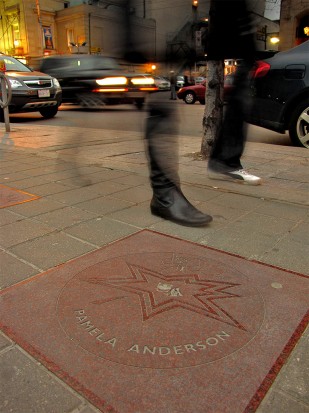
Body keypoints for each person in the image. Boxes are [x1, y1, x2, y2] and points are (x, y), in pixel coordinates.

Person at [123, 0, 212, 227]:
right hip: (135, 45)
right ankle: (164, 196)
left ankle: (165, 194)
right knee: (159, 111)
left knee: (162, 111)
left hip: (149, 47)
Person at [206, 0, 262, 185]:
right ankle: (226, 161)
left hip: (238, 44)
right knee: (239, 103)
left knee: (239, 103)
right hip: (238, 44)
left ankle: (222, 159)